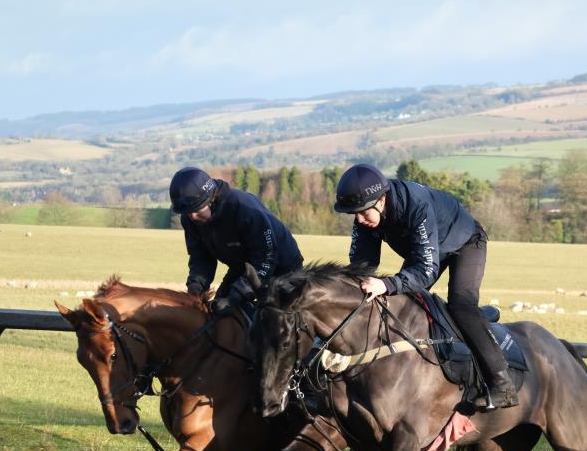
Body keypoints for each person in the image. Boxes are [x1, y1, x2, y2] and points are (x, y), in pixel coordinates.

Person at [334, 163, 518, 410]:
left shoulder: (415, 205)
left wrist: (386, 283)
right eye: (353, 214)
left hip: (465, 241)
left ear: (381, 200)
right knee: (401, 302)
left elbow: (425, 271)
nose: (358, 219)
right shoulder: (367, 216)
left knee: (461, 306)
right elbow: (361, 267)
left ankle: (502, 384)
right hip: (430, 249)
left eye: (362, 213)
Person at [169, 167, 303, 314]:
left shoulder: (244, 209)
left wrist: (237, 296)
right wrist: (195, 289)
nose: (193, 217)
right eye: (187, 213)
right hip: (242, 267)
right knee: (217, 312)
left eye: (197, 209)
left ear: (211, 198)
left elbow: (266, 258)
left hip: (283, 268)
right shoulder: (190, 220)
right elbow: (201, 258)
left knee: (270, 318)